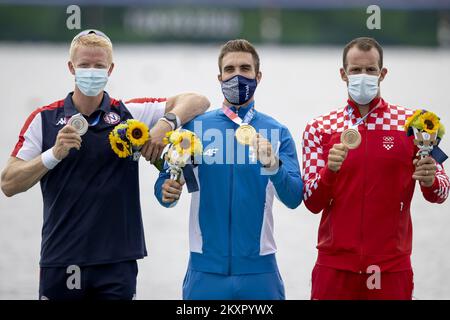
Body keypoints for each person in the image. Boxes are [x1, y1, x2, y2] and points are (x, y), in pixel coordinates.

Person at [0, 29, 210, 300]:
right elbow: (8, 183)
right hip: (62, 260)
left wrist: (163, 125)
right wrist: (54, 154)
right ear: (71, 68)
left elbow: (197, 101)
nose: (91, 71)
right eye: (84, 65)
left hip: (117, 263)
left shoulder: (129, 114)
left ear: (110, 69)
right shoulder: (44, 120)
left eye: (99, 66)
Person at [301, 37, 449, 300]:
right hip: (335, 267)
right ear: (343, 74)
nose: (363, 76)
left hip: (391, 268)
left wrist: (430, 181)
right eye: (356, 70)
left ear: (382, 73)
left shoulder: (415, 124)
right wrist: (330, 172)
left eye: (370, 70)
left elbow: (441, 192)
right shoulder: (320, 127)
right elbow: (312, 201)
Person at [154, 39, 303, 300]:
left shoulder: (276, 131)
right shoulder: (193, 128)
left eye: (245, 69)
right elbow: (164, 187)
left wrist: (273, 164)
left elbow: (293, 198)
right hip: (205, 272)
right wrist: (167, 192)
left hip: (260, 274)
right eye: (230, 69)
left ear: (258, 76)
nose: (237, 75)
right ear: (220, 77)